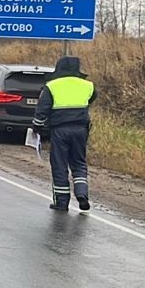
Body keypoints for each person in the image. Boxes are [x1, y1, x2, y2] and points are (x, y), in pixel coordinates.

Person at [31, 56, 96, 212]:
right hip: (81, 130)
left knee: (60, 165)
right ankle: (82, 194)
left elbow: (42, 109)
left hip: (60, 130)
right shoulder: (88, 85)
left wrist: (37, 127)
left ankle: (62, 202)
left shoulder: (52, 86)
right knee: (79, 163)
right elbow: (91, 98)